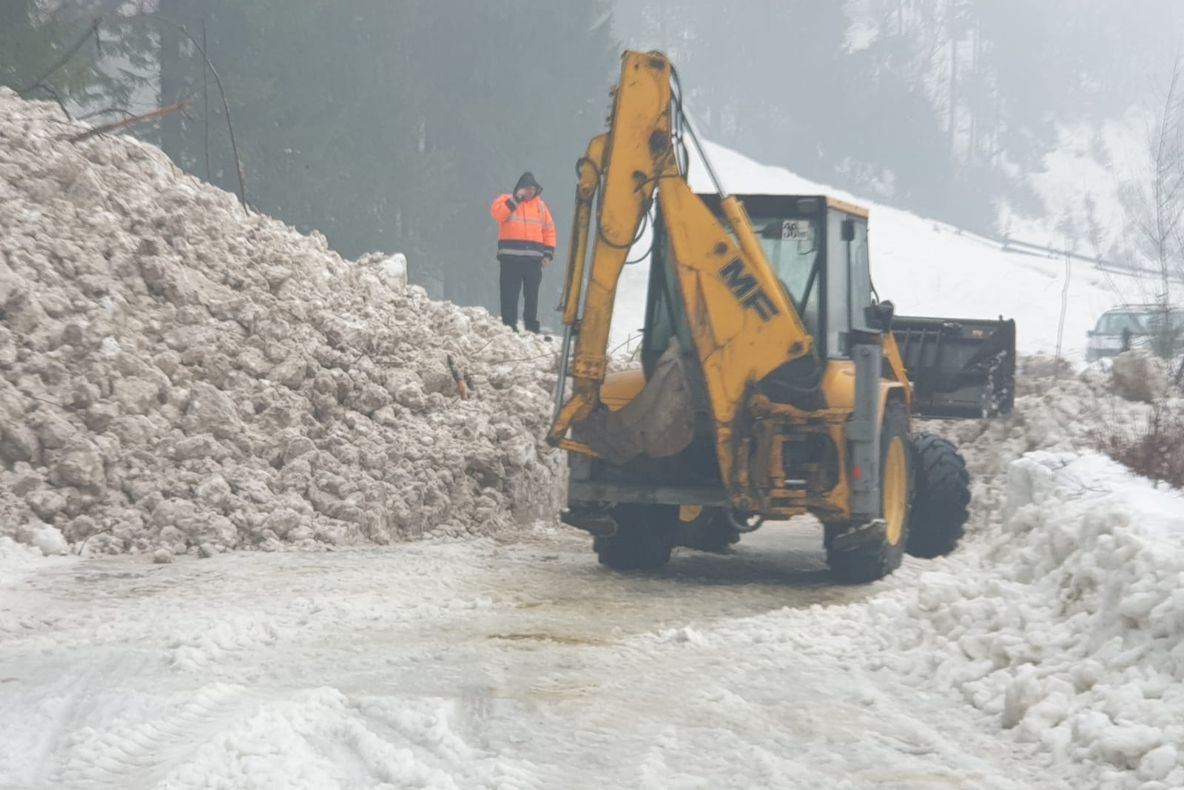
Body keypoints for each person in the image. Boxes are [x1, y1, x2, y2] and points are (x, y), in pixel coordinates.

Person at [490, 172, 556, 333]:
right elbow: (498, 214)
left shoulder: (540, 206)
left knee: (532, 296)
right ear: (520, 188)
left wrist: (548, 254)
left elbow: (549, 230)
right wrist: (515, 200)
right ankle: (509, 325)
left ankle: (531, 327)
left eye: (533, 189)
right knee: (509, 294)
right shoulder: (506, 200)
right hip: (510, 259)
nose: (531, 192)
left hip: (533, 260)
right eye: (528, 188)